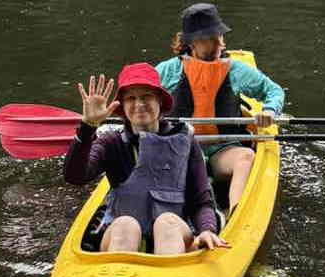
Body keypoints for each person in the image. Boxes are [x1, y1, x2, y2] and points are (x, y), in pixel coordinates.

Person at [63, 62, 229, 254]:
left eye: (146, 96)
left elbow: (201, 200)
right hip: (122, 237)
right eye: (131, 98)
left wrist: (207, 230)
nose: (139, 104)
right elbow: (74, 176)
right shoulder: (111, 143)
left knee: (166, 222)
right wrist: (87, 127)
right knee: (126, 225)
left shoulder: (186, 140)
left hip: (174, 235)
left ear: (159, 101)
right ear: (123, 106)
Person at [156, 3, 285, 208]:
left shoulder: (236, 71)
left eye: (219, 35)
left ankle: (236, 213)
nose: (218, 43)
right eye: (209, 38)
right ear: (191, 43)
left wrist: (269, 110)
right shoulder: (168, 71)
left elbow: (274, 91)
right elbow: (141, 97)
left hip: (222, 148)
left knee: (246, 156)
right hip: (179, 148)